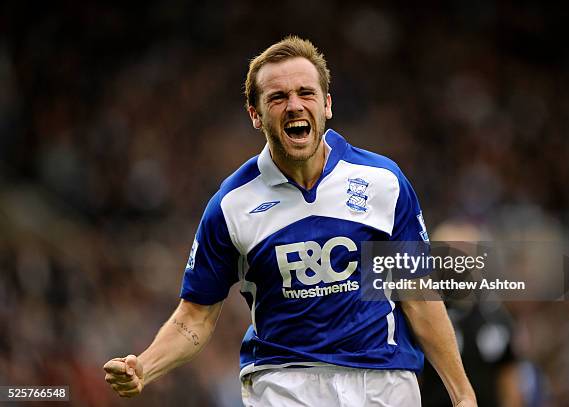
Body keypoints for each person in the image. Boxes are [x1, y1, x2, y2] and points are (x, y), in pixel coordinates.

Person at [103, 36, 477, 406]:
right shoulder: (231, 205)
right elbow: (196, 316)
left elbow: (418, 297)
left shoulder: (384, 181)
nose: (294, 105)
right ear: (255, 114)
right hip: (285, 383)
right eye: (278, 97)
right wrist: (145, 367)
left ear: (327, 104)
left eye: (306, 93)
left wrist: (463, 395)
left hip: (383, 380)